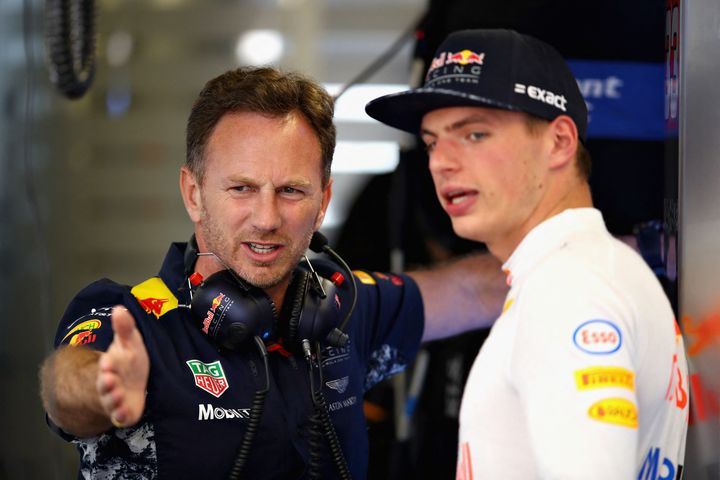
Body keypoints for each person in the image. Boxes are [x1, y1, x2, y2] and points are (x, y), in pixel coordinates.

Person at [39, 66, 508, 479]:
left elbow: (473, 290)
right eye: (242, 188)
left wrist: (573, 240)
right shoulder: (132, 319)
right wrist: (102, 385)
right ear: (194, 193)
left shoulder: (339, 309)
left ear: (323, 202)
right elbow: (67, 390)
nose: (266, 217)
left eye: (291, 191)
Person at [366, 29, 689, 479]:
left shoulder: (569, 291)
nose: (441, 162)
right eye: (432, 141)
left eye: (475, 134)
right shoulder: (589, 272)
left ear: (559, 142)